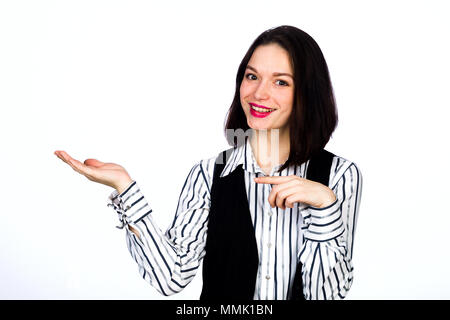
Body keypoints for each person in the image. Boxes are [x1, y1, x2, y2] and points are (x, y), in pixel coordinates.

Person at [54, 25, 363, 300]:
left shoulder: (339, 175)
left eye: (281, 82)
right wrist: (126, 189)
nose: (258, 93)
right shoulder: (207, 174)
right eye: (251, 76)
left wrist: (325, 207)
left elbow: (328, 294)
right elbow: (171, 276)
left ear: (308, 93)